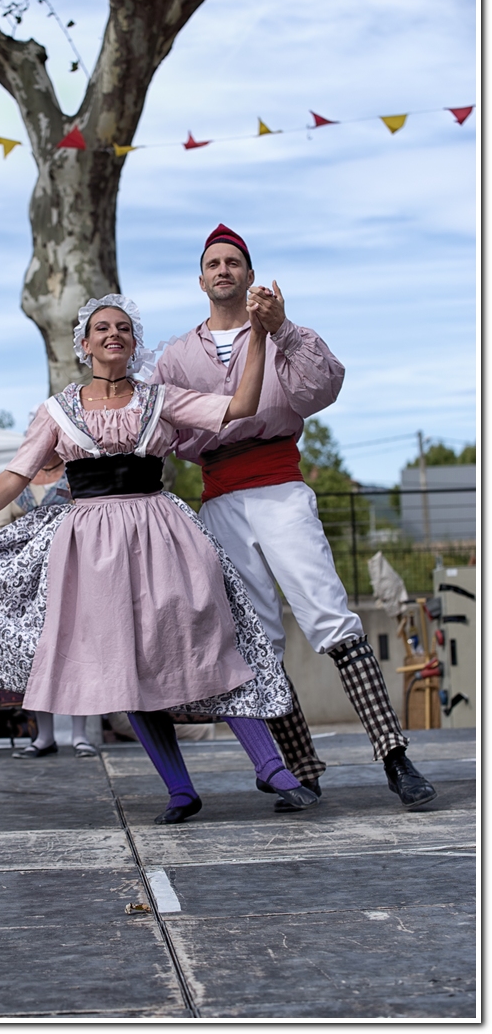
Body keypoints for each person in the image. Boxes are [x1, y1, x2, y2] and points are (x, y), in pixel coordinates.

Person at [0, 293, 320, 823]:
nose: (113, 334)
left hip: (162, 532)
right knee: (127, 667)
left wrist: (257, 336)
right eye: (101, 328)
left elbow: (240, 407)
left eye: (123, 328)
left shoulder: (161, 399)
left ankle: (272, 769)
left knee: (206, 641)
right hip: (90, 549)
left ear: (134, 344)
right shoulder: (56, 411)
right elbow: (15, 475)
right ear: (85, 344)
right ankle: (181, 789)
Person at [150, 223, 437, 811]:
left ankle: (394, 755)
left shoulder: (284, 335)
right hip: (220, 496)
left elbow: (323, 388)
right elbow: (163, 431)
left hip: (280, 485)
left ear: (251, 275)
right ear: (200, 279)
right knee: (258, 637)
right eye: (214, 263)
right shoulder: (177, 356)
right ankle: (300, 767)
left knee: (329, 613)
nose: (224, 269)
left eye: (234, 262)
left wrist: (279, 327)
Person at [0, 448, 96, 759]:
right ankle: (44, 736)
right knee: (36, 654)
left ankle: (80, 735)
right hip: (31, 581)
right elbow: (1, 530)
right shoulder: (18, 479)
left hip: (75, 571)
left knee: (81, 650)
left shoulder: (77, 473)